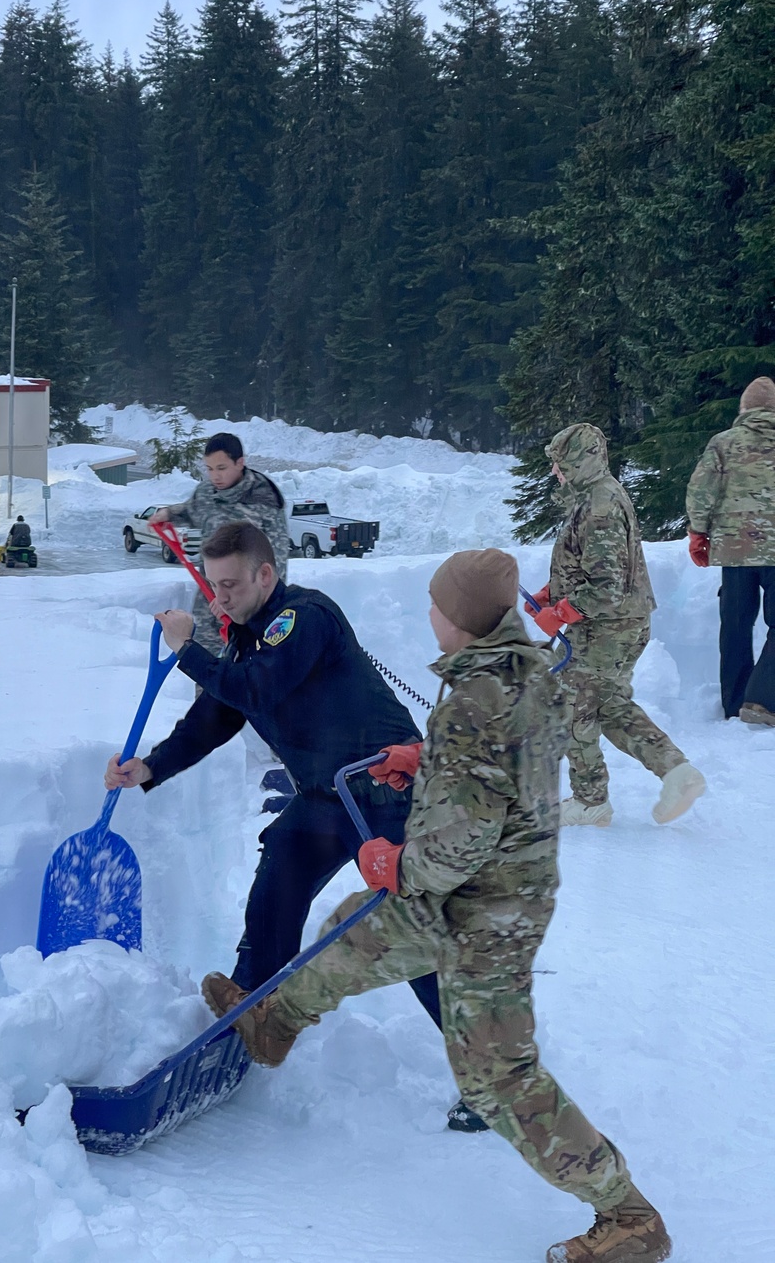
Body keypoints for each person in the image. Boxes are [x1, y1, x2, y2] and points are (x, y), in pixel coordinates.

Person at [204, 549, 672, 1263]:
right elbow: (506, 764)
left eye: (437, 604)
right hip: (484, 893)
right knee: (352, 935)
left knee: (498, 1080)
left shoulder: (476, 699)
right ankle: (275, 1024)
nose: (429, 614)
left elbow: (457, 847)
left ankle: (628, 1215)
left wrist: (392, 862)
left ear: (460, 618)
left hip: (486, 913)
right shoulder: (522, 672)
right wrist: (428, 761)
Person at [104, 521, 482, 1132]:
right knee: (279, 877)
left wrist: (187, 650)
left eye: (231, 584)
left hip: (386, 788)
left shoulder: (303, 618)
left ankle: (490, 1077)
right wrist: (150, 768)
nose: (220, 597)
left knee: (408, 933)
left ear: (265, 575)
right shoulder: (250, 639)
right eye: (213, 585)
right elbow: (217, 716)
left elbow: (257, 690)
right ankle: (247, 1016)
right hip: (328, 795)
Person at [529, 422, 704, 828]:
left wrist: (560, 613)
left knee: (571, 704)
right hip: (617, 624)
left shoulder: (599, 506)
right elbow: (599, 566)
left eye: (560, 463)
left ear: (580, 460)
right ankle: (677, 772)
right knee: (607, 706)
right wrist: (553, 592)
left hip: (605, 628)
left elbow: (607, 587)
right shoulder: (596, 494)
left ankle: (590, 800)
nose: (555, 471)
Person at [686, 374, 775, 726]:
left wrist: (698, 532)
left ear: (744, 409)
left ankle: (736, 702)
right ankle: (762, 699)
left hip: (734, 550)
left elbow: (700, 491)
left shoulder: (723, 443)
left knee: (736, 625)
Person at [150, 432, 290, 655]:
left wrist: (256, 604)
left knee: (247, 663)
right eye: (210, 468)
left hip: (248, 603)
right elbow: (191, 510)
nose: (215, 476)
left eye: (221, 468)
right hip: (210, 595)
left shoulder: (263, 499)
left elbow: (275, 564)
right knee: (203, 658)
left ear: (240, 463)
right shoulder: (207, 492)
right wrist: (168, 514)